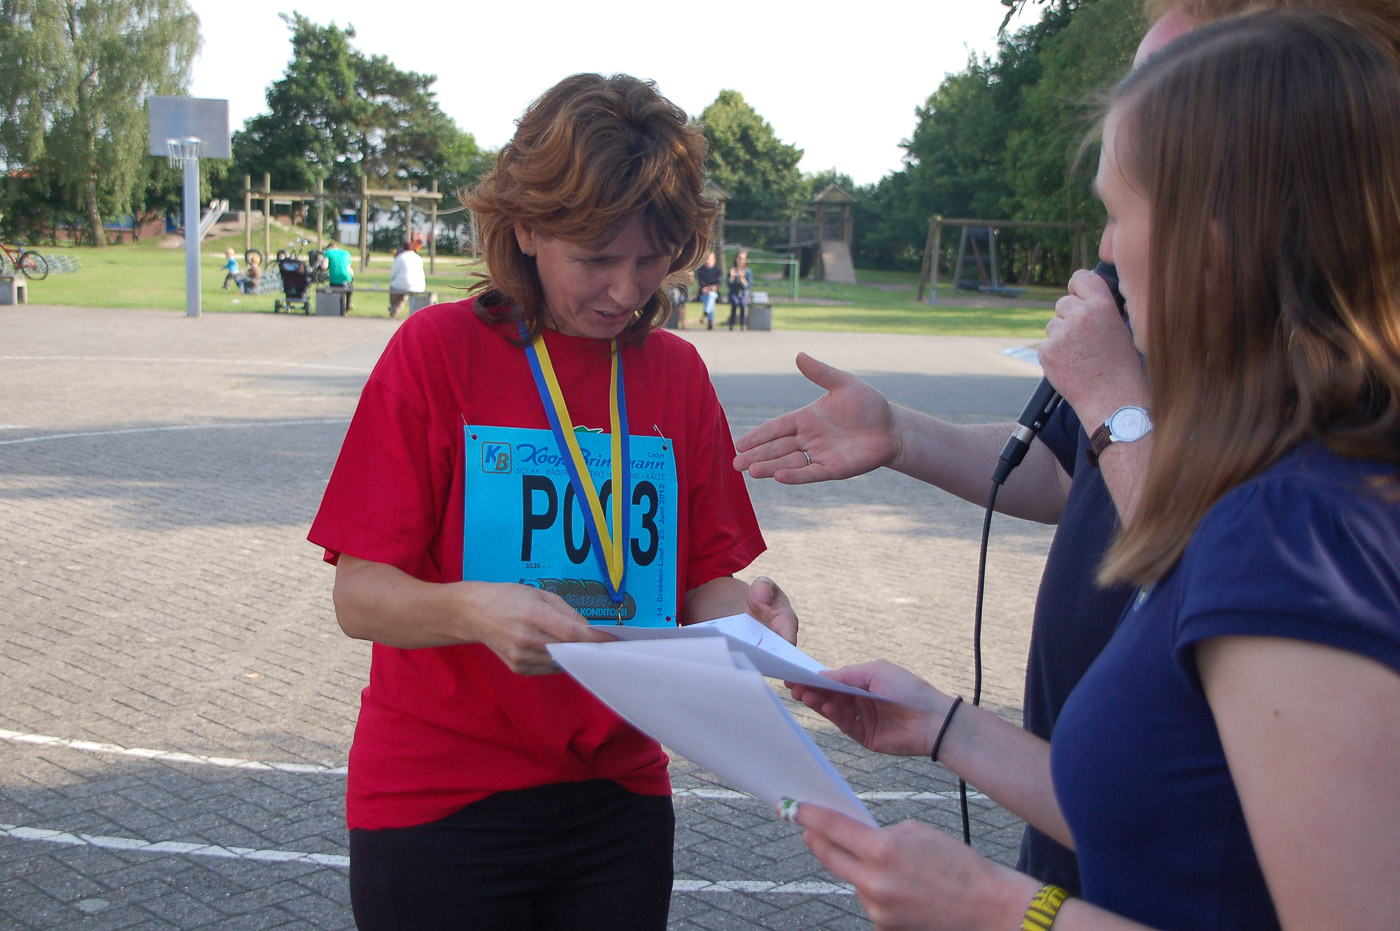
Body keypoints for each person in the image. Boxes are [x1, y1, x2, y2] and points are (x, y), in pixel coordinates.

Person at [734, 0, 1400, 894]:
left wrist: (989, 906)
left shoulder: (1291, 522)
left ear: (1215, 238)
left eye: (1122, 212)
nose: (1103, 255)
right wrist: (945, 725)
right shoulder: (1304, 475)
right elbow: (1173, 815)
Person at [308, 72, 800, 930]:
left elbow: (701, 585)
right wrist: (474, 610)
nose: (627, 290)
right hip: (440, 796)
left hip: (618, 795)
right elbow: (359, 595)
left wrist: (756, 627)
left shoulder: (676, 374)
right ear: (528, 227)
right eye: (598, 259)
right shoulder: (436, 352)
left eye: (652, 258)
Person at [387, 238, 425, 318]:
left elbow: (392, 274)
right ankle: (394, 309)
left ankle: (393, 309)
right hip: (418, 286)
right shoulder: (418, 258)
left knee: (396, 292)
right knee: (404, 294)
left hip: (401, 285)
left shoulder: (400, 257)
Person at [324, 241, 353, 313]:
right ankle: (348, 304)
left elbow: (324, 266)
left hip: (335, 280)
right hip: (346, 279)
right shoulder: (346, 253)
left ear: (328, 248)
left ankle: (337, 307)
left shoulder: (328, 252)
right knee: (349, 285)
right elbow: (350, 271)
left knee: (335, 289)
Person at [726, 249, 752, 330]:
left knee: (743, 304)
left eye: (743, 259)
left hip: (743, 293)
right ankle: (732, 323)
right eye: (739, 258)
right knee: (735, 302)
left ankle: (743, 324)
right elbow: (729, 284)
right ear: (736, 259)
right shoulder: (732, 270)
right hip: (734, 293)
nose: (741, 261)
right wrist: (732, 276)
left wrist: (742, 278)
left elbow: (748, 285)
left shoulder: (748, 271)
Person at [695, 250, 721, 329]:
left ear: (714, 260)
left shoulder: (717, 270)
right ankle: (710, 321)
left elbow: (718, 283)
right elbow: (701, 282)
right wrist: (706, 288)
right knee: (710, 299)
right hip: (703, 292)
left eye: (709, 259)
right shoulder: (701, 270)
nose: (708, 261)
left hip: (714, 292)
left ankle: (705, 314)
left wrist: (712, 288)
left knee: (711, 296)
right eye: (706, 259)